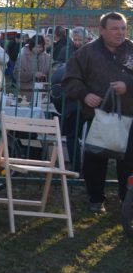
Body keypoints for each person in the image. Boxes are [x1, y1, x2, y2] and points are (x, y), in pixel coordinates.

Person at [62, 12, 133, 214]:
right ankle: (95, 200)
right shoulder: (86, 53)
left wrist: (128, 85)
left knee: (129, 162)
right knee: (95, 160)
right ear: (102, 30)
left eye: (123, 28)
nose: (120, 32)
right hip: (97, 117)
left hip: (130, 117)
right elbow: (70, 79)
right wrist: (85, 95)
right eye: (114, 28)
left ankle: (127, 200)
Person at [14, 35, 52, 100]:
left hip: (42, 95)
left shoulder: (48, 58)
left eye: (40, 47)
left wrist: (45, 77)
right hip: (25, 94)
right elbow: (16, 74)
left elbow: (50, 74)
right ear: (31, 46)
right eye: (36, 47)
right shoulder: (23, 56)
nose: (38, 49)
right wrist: (33, 74)